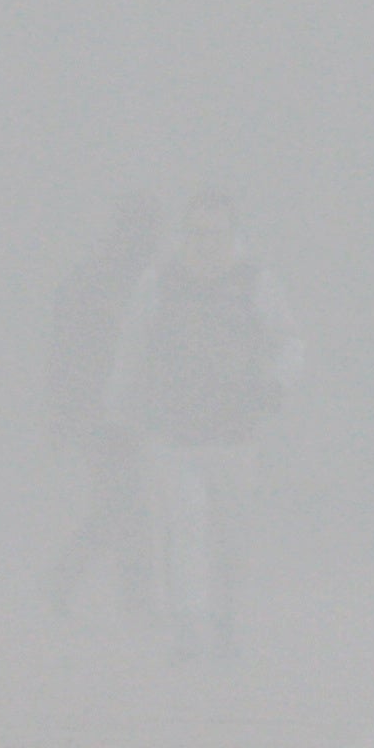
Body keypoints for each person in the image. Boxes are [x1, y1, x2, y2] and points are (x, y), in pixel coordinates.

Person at [117, 188, 292, 663]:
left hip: (236, 432)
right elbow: (131, 345)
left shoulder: (256, 282)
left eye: (215, 233)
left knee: (233, 533)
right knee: (185, 523)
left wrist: (276, 383)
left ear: (232, 234)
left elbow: (287, 339)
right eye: (196, 232)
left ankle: (227, 618)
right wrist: (123, 407)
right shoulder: (160, 281)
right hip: (172, 429)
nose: (205, 243)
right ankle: (191, 625)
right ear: (184, 234)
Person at [33, 194, 161, 622]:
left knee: (128, 505)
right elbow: (65, 355)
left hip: (142, 410)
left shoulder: (153, 280)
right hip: (100, 411)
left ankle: (118, 595)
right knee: (124, 504)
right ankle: (129, 598)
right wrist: (64, 414)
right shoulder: (93, 282)